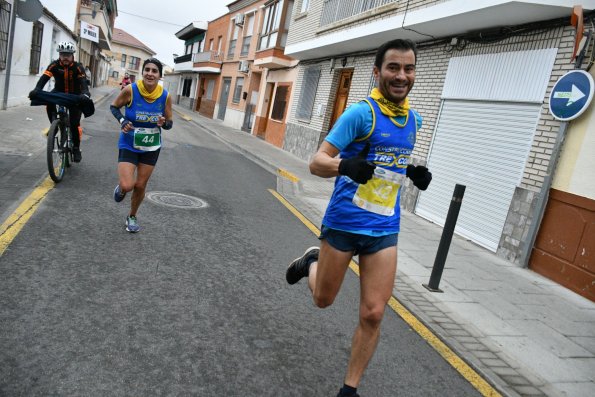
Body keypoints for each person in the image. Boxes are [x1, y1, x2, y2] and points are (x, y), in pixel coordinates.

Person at [285, 39, 432, 397]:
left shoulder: (414, 119)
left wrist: (412, 172)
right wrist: (343, 165)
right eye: (393, 68)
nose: (401, 76)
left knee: (373, 313)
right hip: (344, 222)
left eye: (408, 69)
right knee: (323, 299)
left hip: (384, 226)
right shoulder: (360, 114)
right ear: (377, 71)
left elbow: (389, 163)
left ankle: (349, 390)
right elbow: (316, 162)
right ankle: (311, 263)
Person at [109, 58, 172, 233]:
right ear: (142, 72)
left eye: (154, 71)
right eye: (147, 70)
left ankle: (132, 216)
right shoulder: (131, 90)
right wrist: (122, 120)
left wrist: (163, 122)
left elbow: (169, 123)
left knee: (140, 185)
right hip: (129, 142)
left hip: (151, 146)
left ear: (160, 75)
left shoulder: (165, 96)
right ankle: (121, 188)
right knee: (128, 185)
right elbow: (114, 107)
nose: (150, 74)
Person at [30, 41, 90, 162]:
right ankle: (54, 125)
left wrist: (85, 93)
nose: (65, 57)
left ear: (73, 54)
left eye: (68, 54)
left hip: (75, 95)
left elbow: (83, 83)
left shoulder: (78, 67)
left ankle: (76, 148)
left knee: (74, 124)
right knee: (48, 101)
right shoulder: (54, 65)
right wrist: (37, 90)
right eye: (63, 54)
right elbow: (44, 79)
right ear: (59, 55)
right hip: (58, 92)